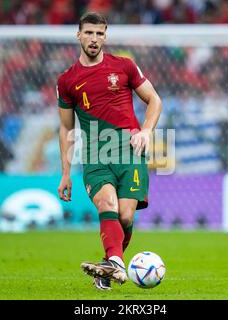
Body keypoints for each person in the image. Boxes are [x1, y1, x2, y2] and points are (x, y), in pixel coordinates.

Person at [56, 12, 162, 290]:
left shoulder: (124, 66)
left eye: (99, 33)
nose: (94, 39)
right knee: (107, 205)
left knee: (125, 217)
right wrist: (65, 173)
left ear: (105, 36)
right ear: (78, 35)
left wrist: (146, 130)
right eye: (89, 33)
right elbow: (66, 129)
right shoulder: (67, 80)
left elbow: (154, 100)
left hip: (129, 151)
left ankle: (108, 266)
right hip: (95, 155)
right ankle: (115, 262)